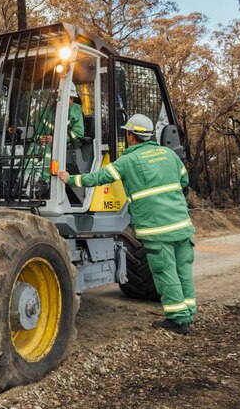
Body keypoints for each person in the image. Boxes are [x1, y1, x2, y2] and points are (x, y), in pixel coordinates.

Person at [58, 113, 196, 334]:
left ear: (131, 136)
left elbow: (98, 178)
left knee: (166, 272)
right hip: (182, 225)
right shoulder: (170, 156)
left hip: (157, 229)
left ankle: (178, 320)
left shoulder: (128, 161)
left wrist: (71, 179)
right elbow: (184, 181)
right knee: (183, 270)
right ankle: (189, 312)